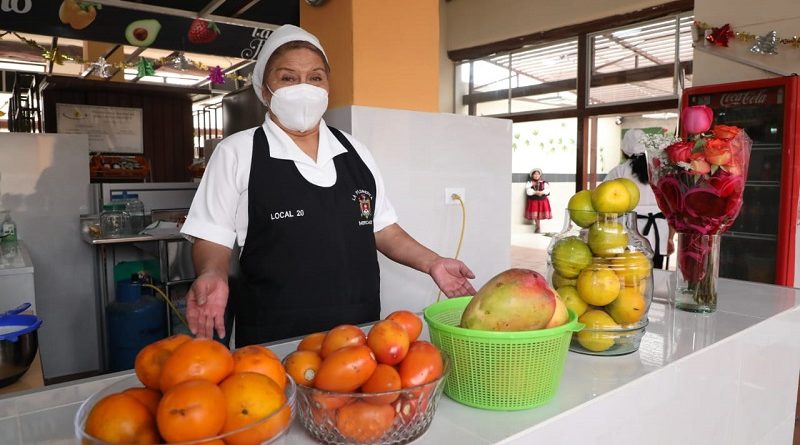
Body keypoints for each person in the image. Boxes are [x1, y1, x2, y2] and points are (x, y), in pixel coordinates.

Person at [180, 25, 476, 346]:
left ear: (327, 87)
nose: (304, 88)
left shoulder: (354, 151)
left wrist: (433, 262)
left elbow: (384, 230)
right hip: (275, 336)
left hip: (358, 331)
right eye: (288, 78)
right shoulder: (238, 152)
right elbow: (212, 237)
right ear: (265, 90)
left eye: (316, 77)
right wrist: (212, 272)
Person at [605, 129, 675, 269]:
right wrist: (670, 238)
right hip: (658, 232)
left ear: (624, 151)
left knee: (630, 276)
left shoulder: (619, 171)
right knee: (655, 274)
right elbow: (672, 208)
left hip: (629, 233)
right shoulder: (659, 171)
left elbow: (604, 203)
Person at [524, 168, 551, 233]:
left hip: (542, 200)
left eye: (538, 174)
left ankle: (538, 226)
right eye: (535, 174)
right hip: (534, 201)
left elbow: (547, 190)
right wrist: (535, 192)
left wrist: (542, 192)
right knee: (536, 214)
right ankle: (538, 226)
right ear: (532, 175)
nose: (536, 175)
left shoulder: (544, 182)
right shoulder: (530, 182)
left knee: (539, 214)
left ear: (540, 175)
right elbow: (528, 190)